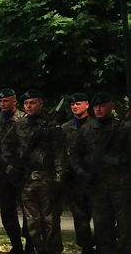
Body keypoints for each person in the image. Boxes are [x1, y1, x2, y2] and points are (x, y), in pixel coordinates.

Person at [1, 89, 64, 254]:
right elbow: (6, 149)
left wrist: (59, 178)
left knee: (50, 220)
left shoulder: (51, 126)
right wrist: (11, 169)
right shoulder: (19, 125)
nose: (29, 106)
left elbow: (59, 154)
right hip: (26, 179)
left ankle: (53, 250)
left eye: (33, 102)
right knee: (32, 221)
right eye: (26, 103)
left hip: (47, 178)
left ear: (41, 104)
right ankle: (38, 249)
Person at [72, 92, 127, 254]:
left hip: (120, 185)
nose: (99, 109)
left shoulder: (123, 128)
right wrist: (82, 172)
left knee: (125, 225)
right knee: (102, 225)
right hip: (96, 185)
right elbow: (75, 154)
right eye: (96, 106)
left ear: (111, 106)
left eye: (102, 105)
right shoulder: (87, 128)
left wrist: (116, 160)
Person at [0, 88, 25, 253]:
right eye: (1, 101)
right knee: (7, 212)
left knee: (29, 212)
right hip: (2, 174)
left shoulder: (24, 119)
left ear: (14, 101)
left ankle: (31, 244)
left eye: (7, 101)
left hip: (22, 173)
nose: (3, 104)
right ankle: (16, 244)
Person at [61, 93, 94, 254]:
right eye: (72, 104)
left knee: (100, 215)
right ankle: (86, 246)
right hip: (74, 179)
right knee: (80, 216)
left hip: (95, 177)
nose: (75, 106)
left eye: (78, 103)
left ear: (87, 105)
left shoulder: (95, 125)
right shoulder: (65, 128)